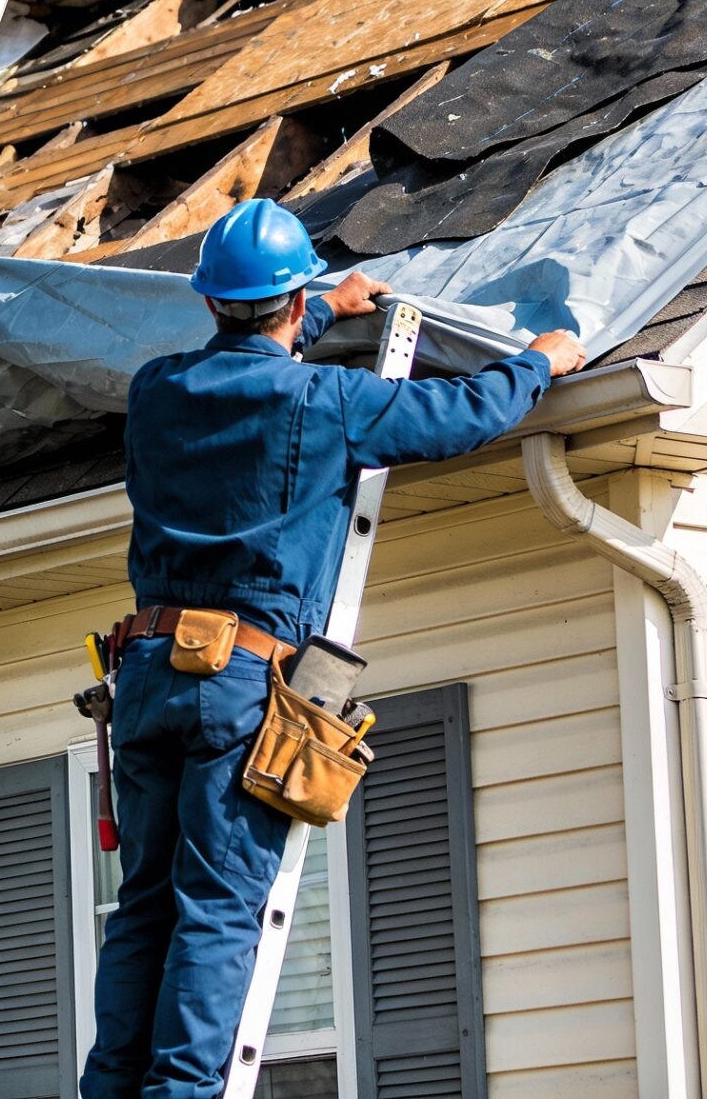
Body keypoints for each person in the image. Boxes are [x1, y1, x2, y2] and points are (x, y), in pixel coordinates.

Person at [85, 198, 586, 1099]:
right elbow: (459, 414)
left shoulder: (154, 391)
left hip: (147, 675)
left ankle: (112, 1088)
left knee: (144, 906)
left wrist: (322, 306)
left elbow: (247, 346)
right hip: (237, 684)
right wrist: (538, 363)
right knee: (219, 908)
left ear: (209, 302)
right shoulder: (326, 399)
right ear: (290, 302)